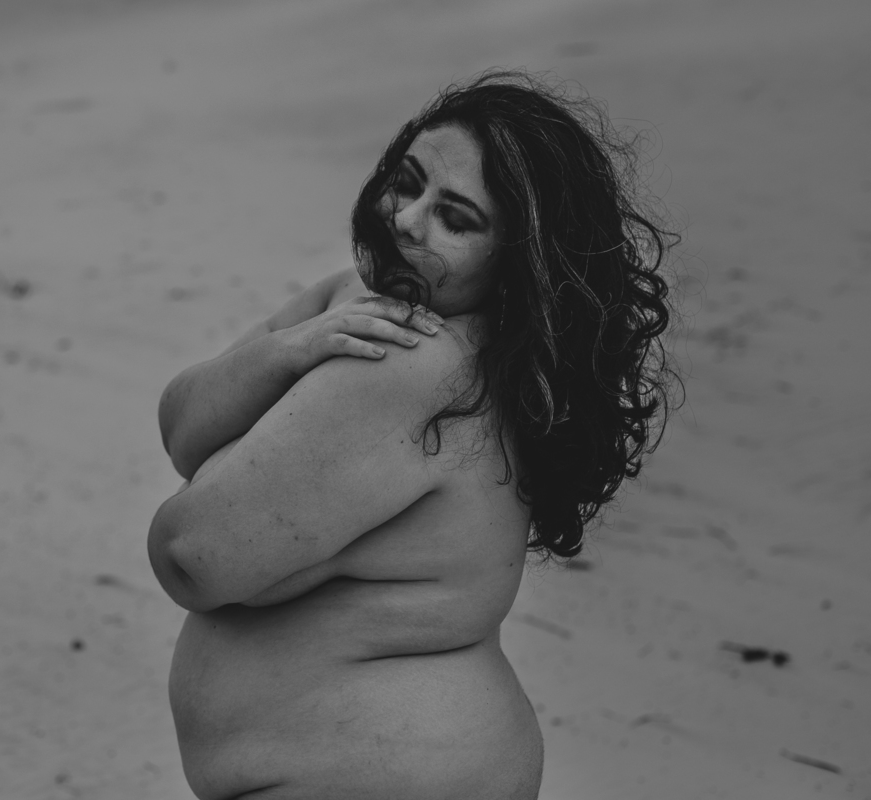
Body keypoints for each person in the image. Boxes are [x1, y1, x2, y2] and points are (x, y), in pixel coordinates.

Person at [149, 70, 678, 800]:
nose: (406, 220)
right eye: (407, 182)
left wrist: (233, 451)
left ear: (516, 265)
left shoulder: (414, 360)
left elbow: (191, 553)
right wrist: (286, 353)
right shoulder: (353, 303)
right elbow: (179, 427)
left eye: (456, 219)